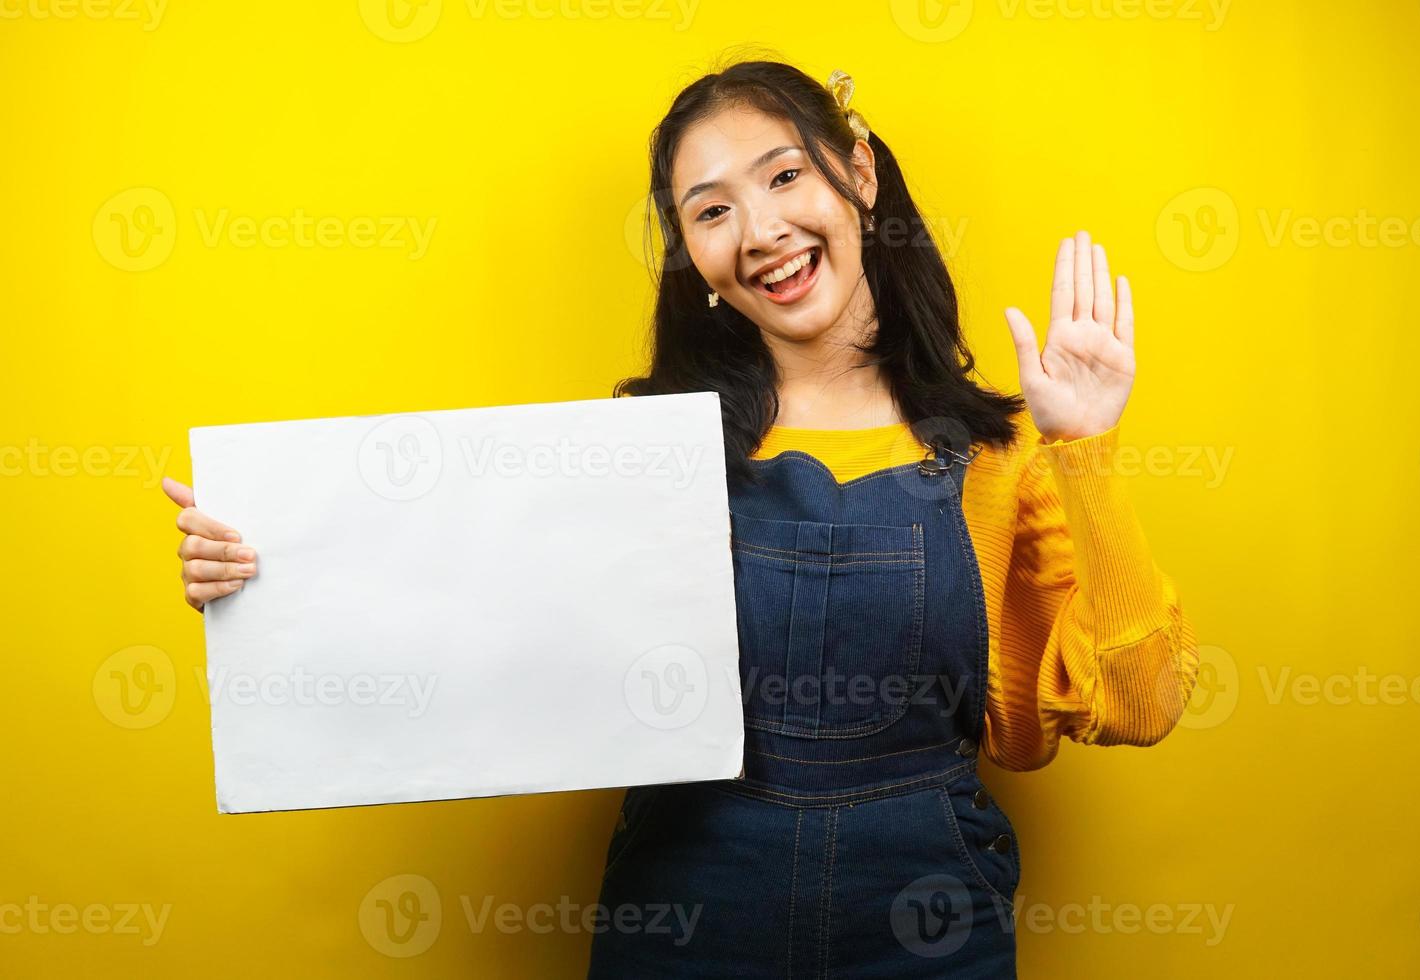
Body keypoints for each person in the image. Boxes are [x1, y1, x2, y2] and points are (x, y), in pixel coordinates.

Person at [162, 58, 1200, 978]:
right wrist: (265, 574)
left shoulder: (997, 455)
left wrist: (1087, 450)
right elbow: (463, 618)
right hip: (691, 916)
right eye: (709, 212)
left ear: (861, 174)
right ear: (692, 258)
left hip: (929, 918)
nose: (761, 234)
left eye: (784, 177)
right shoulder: (641, 449)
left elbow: (1143, 700)